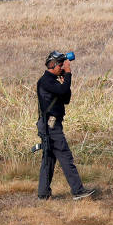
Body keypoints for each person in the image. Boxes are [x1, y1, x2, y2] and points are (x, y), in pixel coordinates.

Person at [35, 51, 95, 200]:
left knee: (49, 158)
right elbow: (62, 90)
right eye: (60, 65)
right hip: (50, 125)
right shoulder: (46, 80)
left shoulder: (53, 81)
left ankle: (43, 193)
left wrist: (64, 80)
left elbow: (66, 98)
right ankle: (78, 191)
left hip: (52, 124)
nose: (62, 68)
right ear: (53, 65)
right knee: (65, 156)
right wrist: (68, 74)